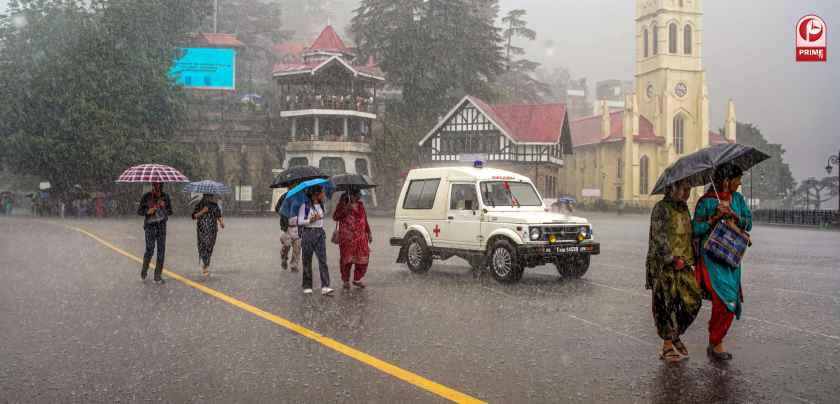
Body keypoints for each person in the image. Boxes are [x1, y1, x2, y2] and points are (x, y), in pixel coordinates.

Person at [692, 164, 752, 361]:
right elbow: (695, 229)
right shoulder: (706, 202)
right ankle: (716, 342)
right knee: (724, 299)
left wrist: (734, 215)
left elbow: (749, 222)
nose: (740, 183)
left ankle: (715, 340)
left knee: (731, 301)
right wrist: (715, 217)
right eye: (737, 179)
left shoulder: (738, 199)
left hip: (731, 258)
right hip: (711, 257)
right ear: (726, 181)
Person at [646, 179, 702, 363]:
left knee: (693, 301)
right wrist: (672, 258)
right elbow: (659, 237)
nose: (687, 193)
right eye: (684, 189)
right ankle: (667, 346)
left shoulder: (683, 208)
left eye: (689, 189)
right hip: (664, 265)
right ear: (672, 188)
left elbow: (688, 232)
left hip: (684, 264)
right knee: (666, 304)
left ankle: (674, 332)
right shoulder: (661, 208)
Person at [333, 189, 373, 289]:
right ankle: (346, 280)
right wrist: (346, 209)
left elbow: (365, 220)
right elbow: (335, 217)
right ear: (351, 195)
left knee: (363, 259)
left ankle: (357, 279)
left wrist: (369, 232)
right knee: (346, 260)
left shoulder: (361, 205)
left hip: (361, 237)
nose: (359, 196)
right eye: (358, 194)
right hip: (347, 238)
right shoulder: (342, 204)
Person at [298, 186, 333, 295]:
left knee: (323, 260)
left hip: (320, 234)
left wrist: (318, 218)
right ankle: (307, 285)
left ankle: (325, 286)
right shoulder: (305, 206)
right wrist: (310, 220)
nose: (323, 195)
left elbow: (322, 218)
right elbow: (300, 221)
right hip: (308, 233)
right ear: (315, 195)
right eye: (321, 193)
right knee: (307, 260)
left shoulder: (322, 206)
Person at [137, 182, 173, 284]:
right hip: (150, 226)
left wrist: (164, 206)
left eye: (158, 185)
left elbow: (170, 211)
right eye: (155, 185)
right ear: (152, 185)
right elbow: (139, 211)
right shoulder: (147, 197)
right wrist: (148, 211)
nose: (156, 187)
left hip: (161, 226)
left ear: (161, 186)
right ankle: (144, 271)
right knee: (150, 249)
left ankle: (157, 276)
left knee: (161, 251)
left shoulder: (165, 197)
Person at [192, 194, 225, 277]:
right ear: (205, 196)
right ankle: (205, 264)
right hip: (202, 229)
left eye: (211, 196)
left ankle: (206, 264)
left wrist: (221, 222)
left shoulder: (214, 205)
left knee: (210, 247)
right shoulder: (199, 204)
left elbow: (218, 215)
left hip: (212, 229)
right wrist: (202, 211)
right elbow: (193, 216)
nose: (211, 198)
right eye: (209, 197)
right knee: (203, 246)